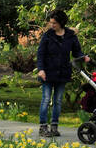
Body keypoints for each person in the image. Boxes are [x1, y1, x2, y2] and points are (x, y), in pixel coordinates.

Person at [35, 9, 87, 137]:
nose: (52, 25)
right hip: (47, 72)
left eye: (54, 23)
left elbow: (76, 52)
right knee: (46, 99)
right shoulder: (47, 36)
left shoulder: (70, 36)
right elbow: (40, 54)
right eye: (51, 22)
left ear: (61, 23)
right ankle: (43, 127)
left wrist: (84, 57)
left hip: (63, 72)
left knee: (58, 100)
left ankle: (54, 126)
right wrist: (41, 69)